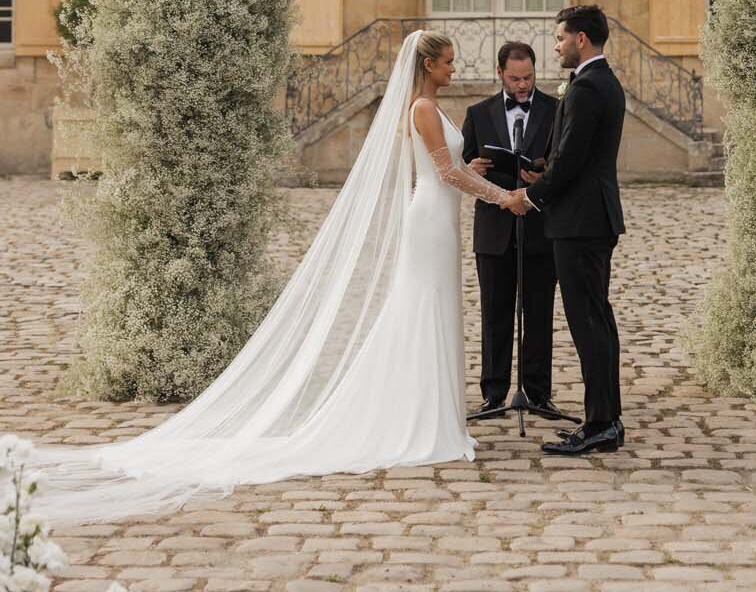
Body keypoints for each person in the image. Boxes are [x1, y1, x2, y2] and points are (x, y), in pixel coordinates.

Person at [30, 30, 516, 524]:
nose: (454, 68)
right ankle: (421, 420)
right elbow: (445, 176)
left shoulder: (428, 107)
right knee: (422, 310)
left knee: (428, 309)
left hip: (438, 219)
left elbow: (447, 168)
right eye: (448, 61)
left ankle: (432, 414)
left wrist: (468, 164)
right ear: (428, 63)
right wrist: (503, 196)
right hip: (430, 221)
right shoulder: (423, 109)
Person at [509, 4, 626, 456]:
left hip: (580, 223)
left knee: (589, 324)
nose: (555, 45)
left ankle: (600, 424)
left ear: (581, 39)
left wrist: (531, 197)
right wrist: (544, 172)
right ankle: (606, 420)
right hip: (589, 217)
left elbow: (574, 160)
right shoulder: (600, 82)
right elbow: (573, 155)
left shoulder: (588, 88)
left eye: (560, 37)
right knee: (598, 321)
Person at [461, 41, 559, 416]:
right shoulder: (478, 112)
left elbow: (562, 162)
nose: (523, 85)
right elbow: (466, 164)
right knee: (494, 312)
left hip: (540, 226)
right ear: (499, 73)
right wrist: (473, 166)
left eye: (529, 77)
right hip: (493, 229)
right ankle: (493, 391)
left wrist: (542, 175)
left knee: (539, 312)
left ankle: (538, 392)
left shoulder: (556, 109)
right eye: (515, 78)